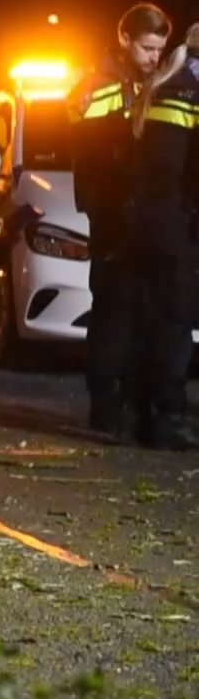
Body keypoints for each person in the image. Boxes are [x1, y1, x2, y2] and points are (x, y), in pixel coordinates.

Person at [66, 3, 171, 441]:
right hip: (113, 213)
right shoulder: (99, 85)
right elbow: (93, 150)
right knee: (112, 311)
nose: (154, 57)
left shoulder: (152, 81)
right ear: (125, 40)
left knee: (143, 313)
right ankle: (105, 404)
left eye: (160, 49)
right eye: (147, 47)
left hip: (141, 215)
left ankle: (128, 403)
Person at [128, 22, 199, 452]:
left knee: (148, 316)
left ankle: (140, 413)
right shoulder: (194, 87)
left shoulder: (167, 81)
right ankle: (169, 419)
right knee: (173, 321)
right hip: (177, 221)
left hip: (147, 218)